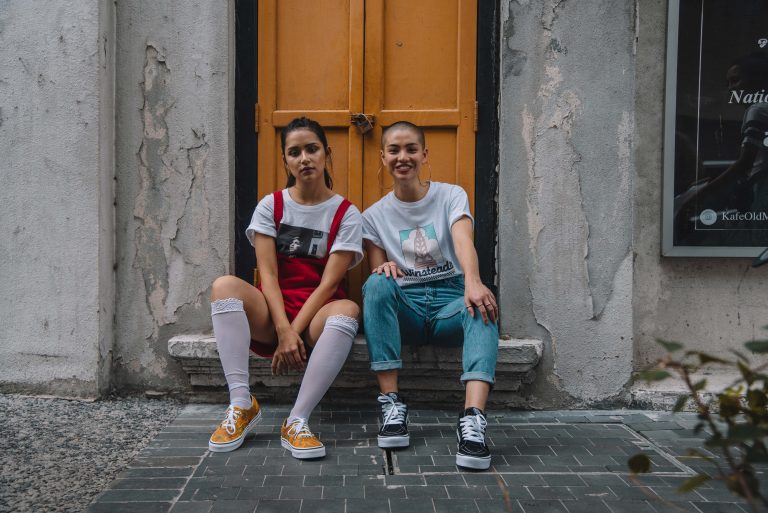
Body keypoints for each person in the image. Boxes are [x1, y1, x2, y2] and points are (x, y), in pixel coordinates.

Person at [207, 117, 363, 459]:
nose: (304, 158)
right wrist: (282, 329)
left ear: (326, 153)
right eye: (295, 152)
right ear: (285, 161)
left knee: (348, 310)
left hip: (315, 315)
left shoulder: (346, 213)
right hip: (272, 310)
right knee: (224, 286)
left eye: (312, 149)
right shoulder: (272, 205)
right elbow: (268, 275)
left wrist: (294, 332)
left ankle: (297, 420)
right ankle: (241, 403)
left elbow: (328, 284)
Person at [361, 121, 499, 470]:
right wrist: (383, 268)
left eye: (411, 149)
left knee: (481, 303)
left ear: (424, 154)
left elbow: (463, 240)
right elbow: (377, 269)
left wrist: (473, 281)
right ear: (383, 157)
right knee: (375, 285)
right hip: (406, 307)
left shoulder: (451, 195)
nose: (403, 157)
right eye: (394, 150)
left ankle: (473, 422)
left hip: (449, 301)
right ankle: (391, 406)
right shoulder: (373, 216)